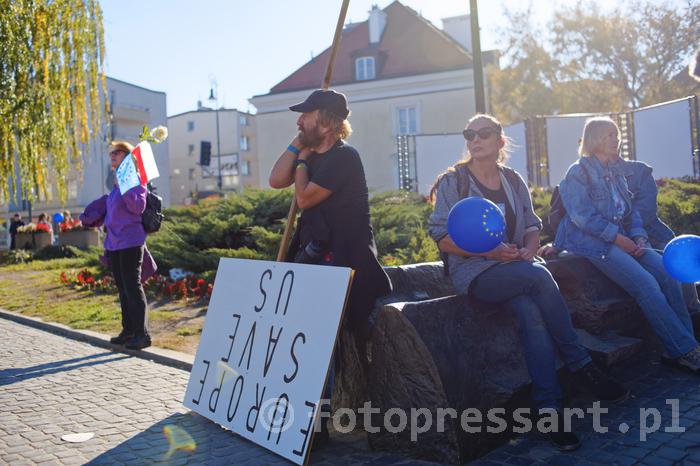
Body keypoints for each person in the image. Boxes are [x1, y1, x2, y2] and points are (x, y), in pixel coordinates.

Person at [428, 114, 628, 452]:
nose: (475, 139)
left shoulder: (512, 179)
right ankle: (580, 363)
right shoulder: (455, 181)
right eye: (469, 133)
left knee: (530, 312)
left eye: (484, 133)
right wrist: (494, 254)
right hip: (476, 273)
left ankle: (548, 411)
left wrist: (527, 251)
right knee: (538, 276)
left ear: (500, 141)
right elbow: (441, 236)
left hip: (516, 268)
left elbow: (533, 225)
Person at [269, 89, 392, 445]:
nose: (299, 120)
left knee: (321, 342)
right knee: (308, 341)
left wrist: (303, 162)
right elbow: (277, 180)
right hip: (314, 260)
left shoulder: (344, 157)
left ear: (328, 121)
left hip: (344, 263)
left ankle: (314, 427)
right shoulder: (308, 151)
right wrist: (298, 146)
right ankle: (308, 423)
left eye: (306, 115)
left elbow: (304, 198)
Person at [554, 116, 700, 373]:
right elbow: (583, 217)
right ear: (595, 139)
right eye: (609, 134)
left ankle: (684, 348)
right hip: (592, 243)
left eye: (616, 134)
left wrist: (638, 236)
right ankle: (685, 350)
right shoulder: (578, 172)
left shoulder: (616, 171)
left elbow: (630, 213)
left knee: (669, 275)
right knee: (646, 286)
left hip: (623, 237)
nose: (616, 139)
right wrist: (620, 239)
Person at [81, 141, 153, 350]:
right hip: (115, 243)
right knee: (123, 288)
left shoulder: (134, 178)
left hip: (131, 241)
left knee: (132, 286)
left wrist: (124, 186)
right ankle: (128, 331)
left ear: (127, 155)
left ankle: (142, 334)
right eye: (111, 152)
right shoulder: (117, 182)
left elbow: (138, 206)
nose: (112, 155)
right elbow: (114, 211)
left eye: (117, 152)